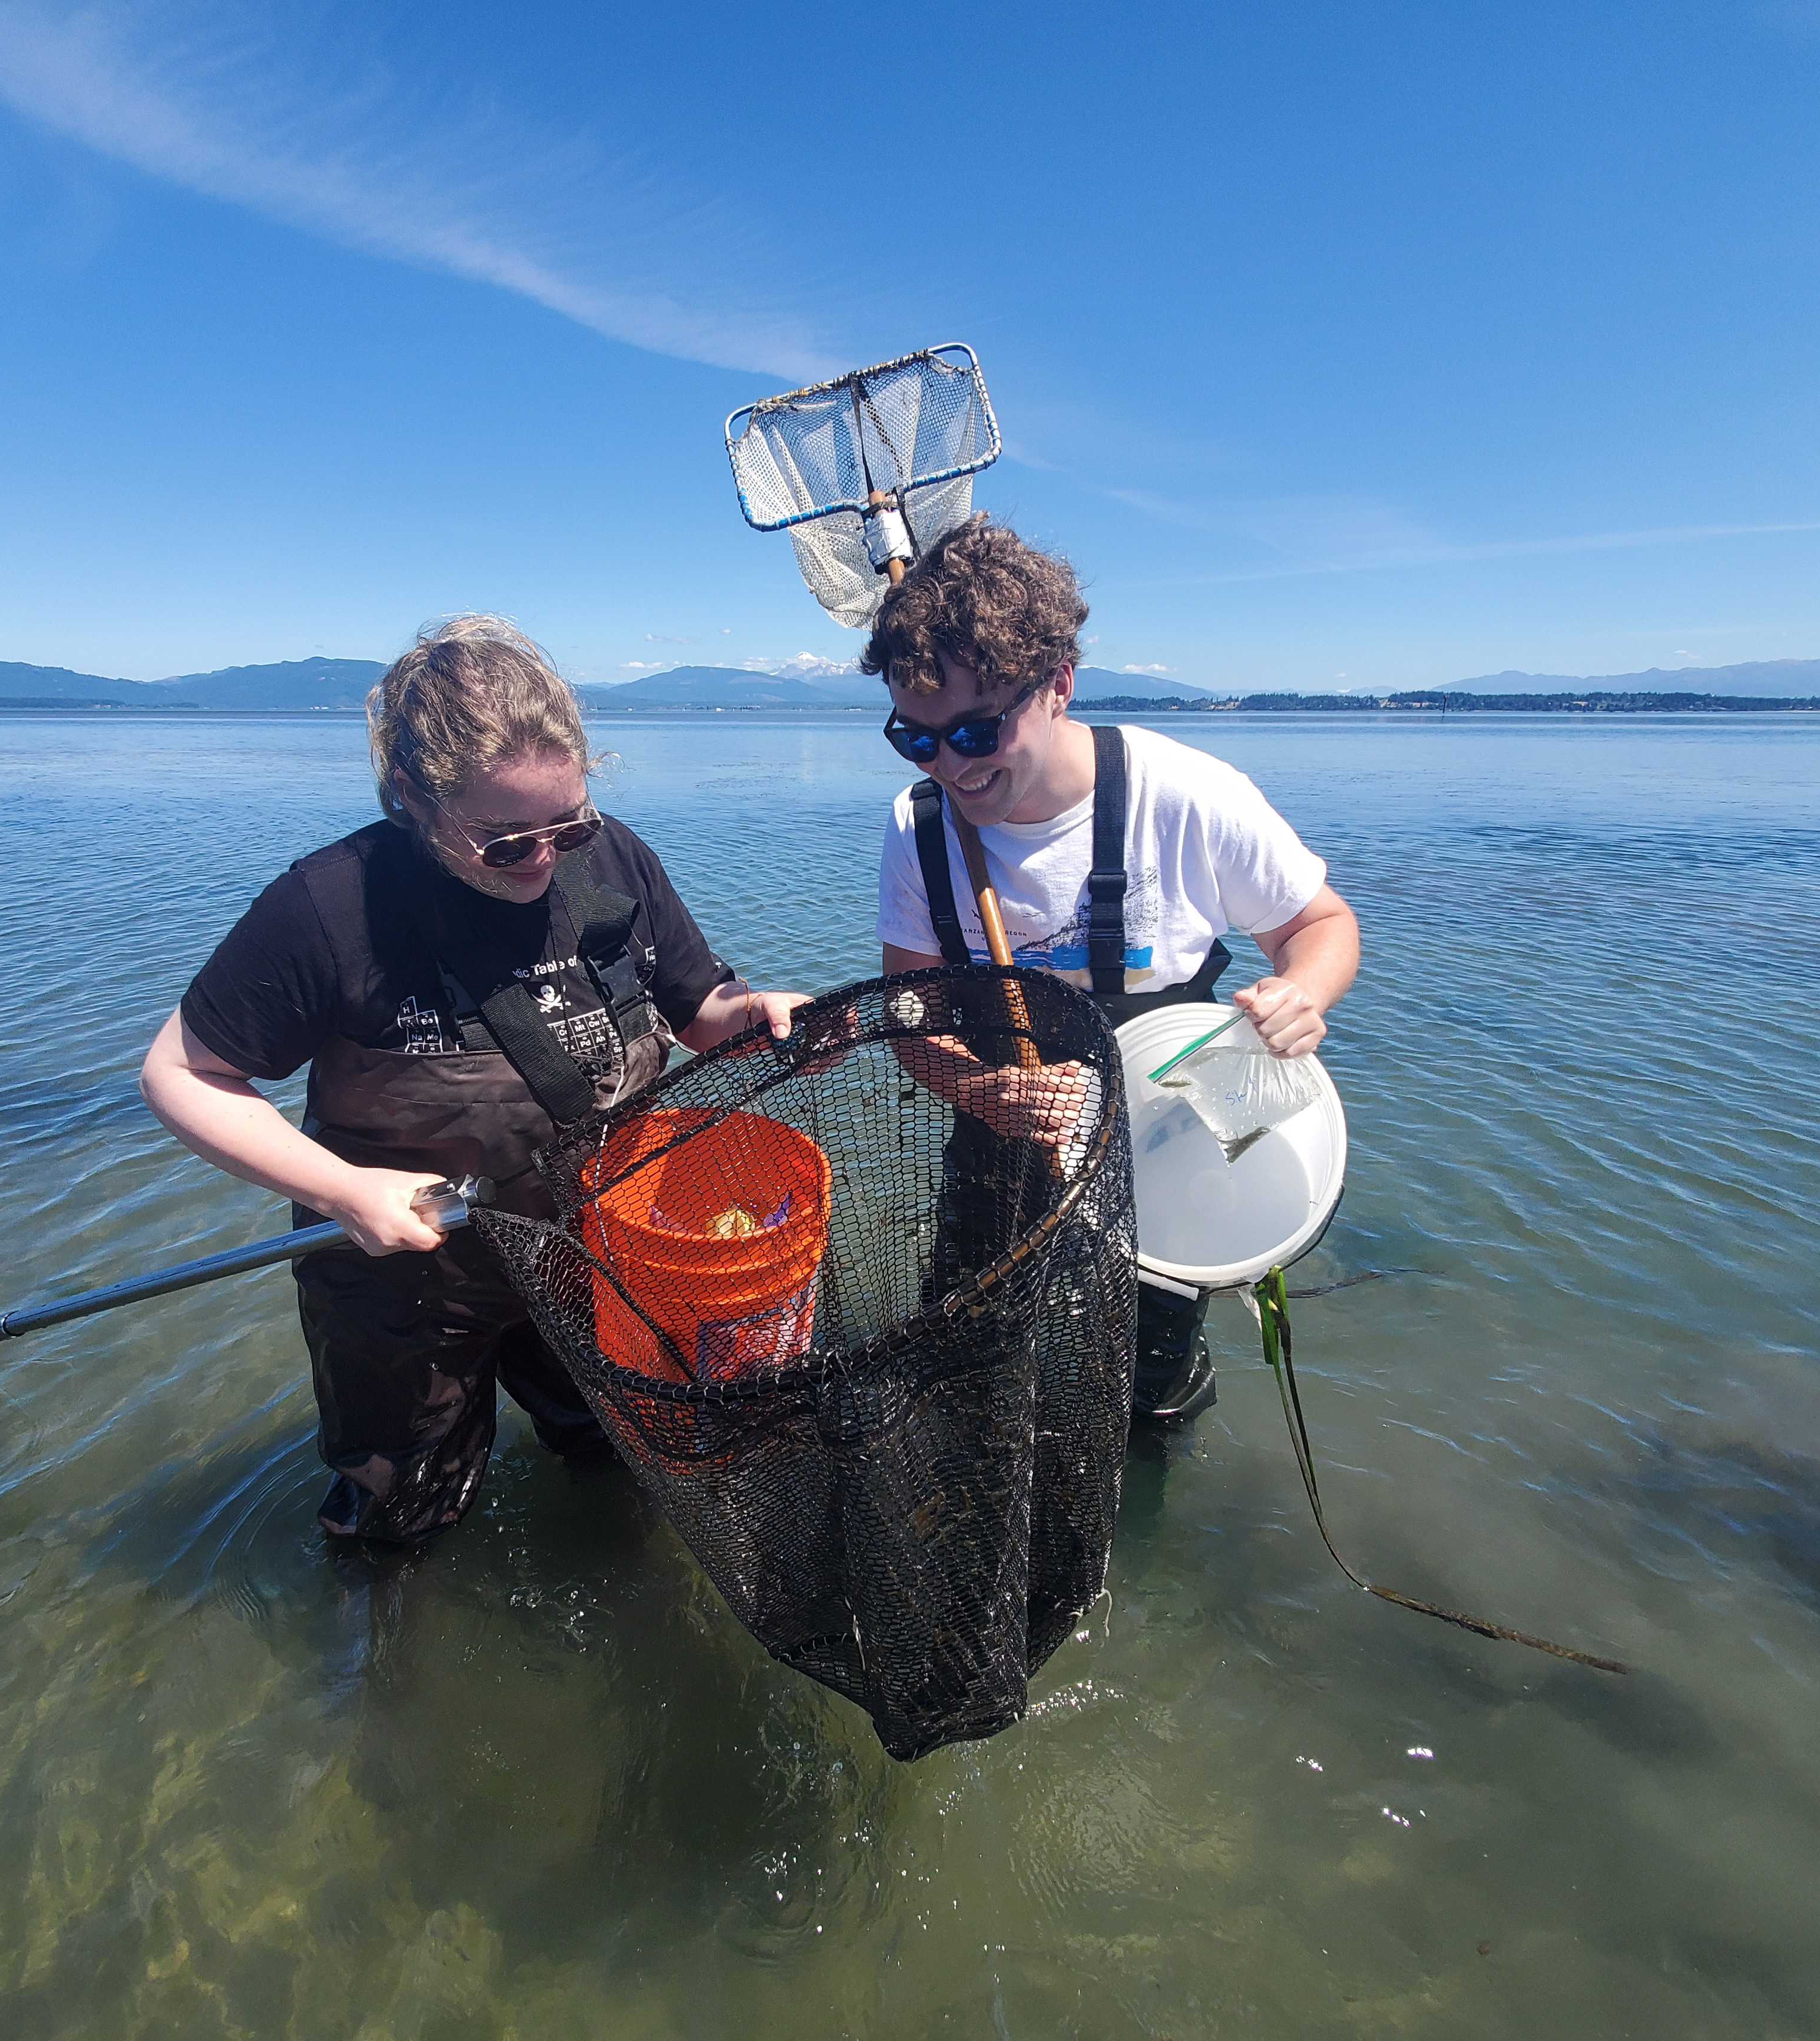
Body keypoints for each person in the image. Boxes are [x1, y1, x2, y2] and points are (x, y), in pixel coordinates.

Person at [141, 616, 808, 1542]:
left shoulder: (612, 859)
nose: (543, 858)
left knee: (609, 1463)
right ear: (413, 798)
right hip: (407, 1284)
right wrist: (341, 1188)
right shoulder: (329, 908)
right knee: (403, 1519)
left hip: (589, 1256)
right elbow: (180, 1073)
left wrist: (753, 1012)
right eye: (503, 842)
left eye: (566, 825)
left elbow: (700, 1007)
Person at [870, 520, 1360, 1426]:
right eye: (920, 738)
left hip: (1174, 1142)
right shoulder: (919, 825)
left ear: (1058, 683)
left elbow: (1322, 926)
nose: (955, 766)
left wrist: (1302, 993)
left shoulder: (1189, 795)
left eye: (980, 730)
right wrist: (983, 1089)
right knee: (963, 1361)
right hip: (1000, 1135)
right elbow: (910, 1022)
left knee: (1146, 1385)